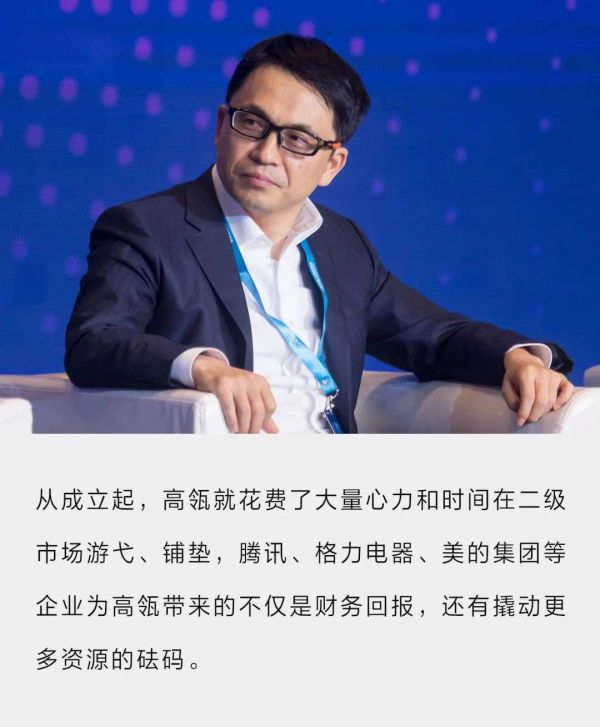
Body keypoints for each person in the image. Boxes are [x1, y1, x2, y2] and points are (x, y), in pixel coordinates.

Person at [65, 34, 574, 434]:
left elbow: (433, 337)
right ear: (222, 124)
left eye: (297, 140)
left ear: (333, 164)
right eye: (251, 123)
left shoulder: (341, 245)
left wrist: (516, 358)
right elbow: (94, 343)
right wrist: (202, 368)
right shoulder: (147, 228)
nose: (266, 153)